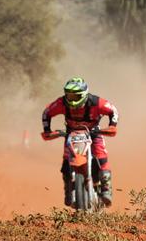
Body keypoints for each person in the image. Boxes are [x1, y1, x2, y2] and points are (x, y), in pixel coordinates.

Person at [41, 77, 118, 207]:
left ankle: (106, 189)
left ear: (83, 95)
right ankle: (68, 190)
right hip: (71, 133)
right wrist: (47, 129)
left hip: (93, 132)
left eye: (75, 96)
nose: (71, 99)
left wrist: (112, 125)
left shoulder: (97, 102)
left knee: (101, 156)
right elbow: (47, 112)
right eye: (68, 95)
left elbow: (113, 110)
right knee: (66, 160)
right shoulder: (61, 103)